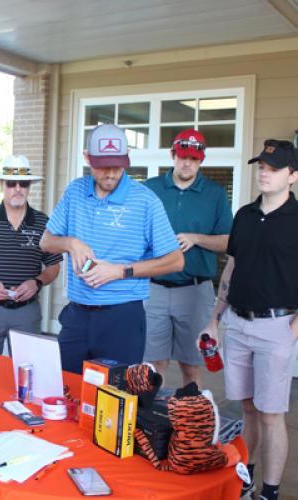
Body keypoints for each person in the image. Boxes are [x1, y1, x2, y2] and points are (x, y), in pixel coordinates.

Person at [40, 123, 184, 374]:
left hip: (123, 317)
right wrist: (71, 243)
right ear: (87, 158)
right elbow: (46, 242)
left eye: (117, 165)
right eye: (101, 165)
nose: (109, 173)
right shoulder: (75, 191)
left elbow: (175, 261)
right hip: (77, 315)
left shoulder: (145, 200)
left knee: (115, 399)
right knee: (65, 389)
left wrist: (120, 271)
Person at [201, 140, 298, 500]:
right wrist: (215, 319)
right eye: (261, 167)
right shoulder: (243, 214)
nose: (264, 173)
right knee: (247, 408)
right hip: (237, 325)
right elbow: (234, 267)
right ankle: (246, 474)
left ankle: (270, 492)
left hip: (277, 327)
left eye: (273, 168)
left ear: (293, 176)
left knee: (272, 413)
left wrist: (292, 331)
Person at [143, 129, 233, 386]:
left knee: (191, 366)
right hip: (153, 290)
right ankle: (150, 422)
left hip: (195, 290)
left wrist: (196, 238)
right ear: (173, 154)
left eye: (193, 159)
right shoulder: (151, 189)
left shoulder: (214, 194)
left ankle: (193, 424)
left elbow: (228, 241)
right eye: (182, 157)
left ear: (201, 160)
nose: (187, 163)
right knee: (153, 364)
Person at [0, 154, 63, 354]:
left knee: (28, 370)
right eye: (11, 183)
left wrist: (37, 282)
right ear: (2, 184)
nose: (17, 189)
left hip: (27, 312)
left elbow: (54, 266)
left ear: (29, 187)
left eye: (23, 184)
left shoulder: (43, 222)